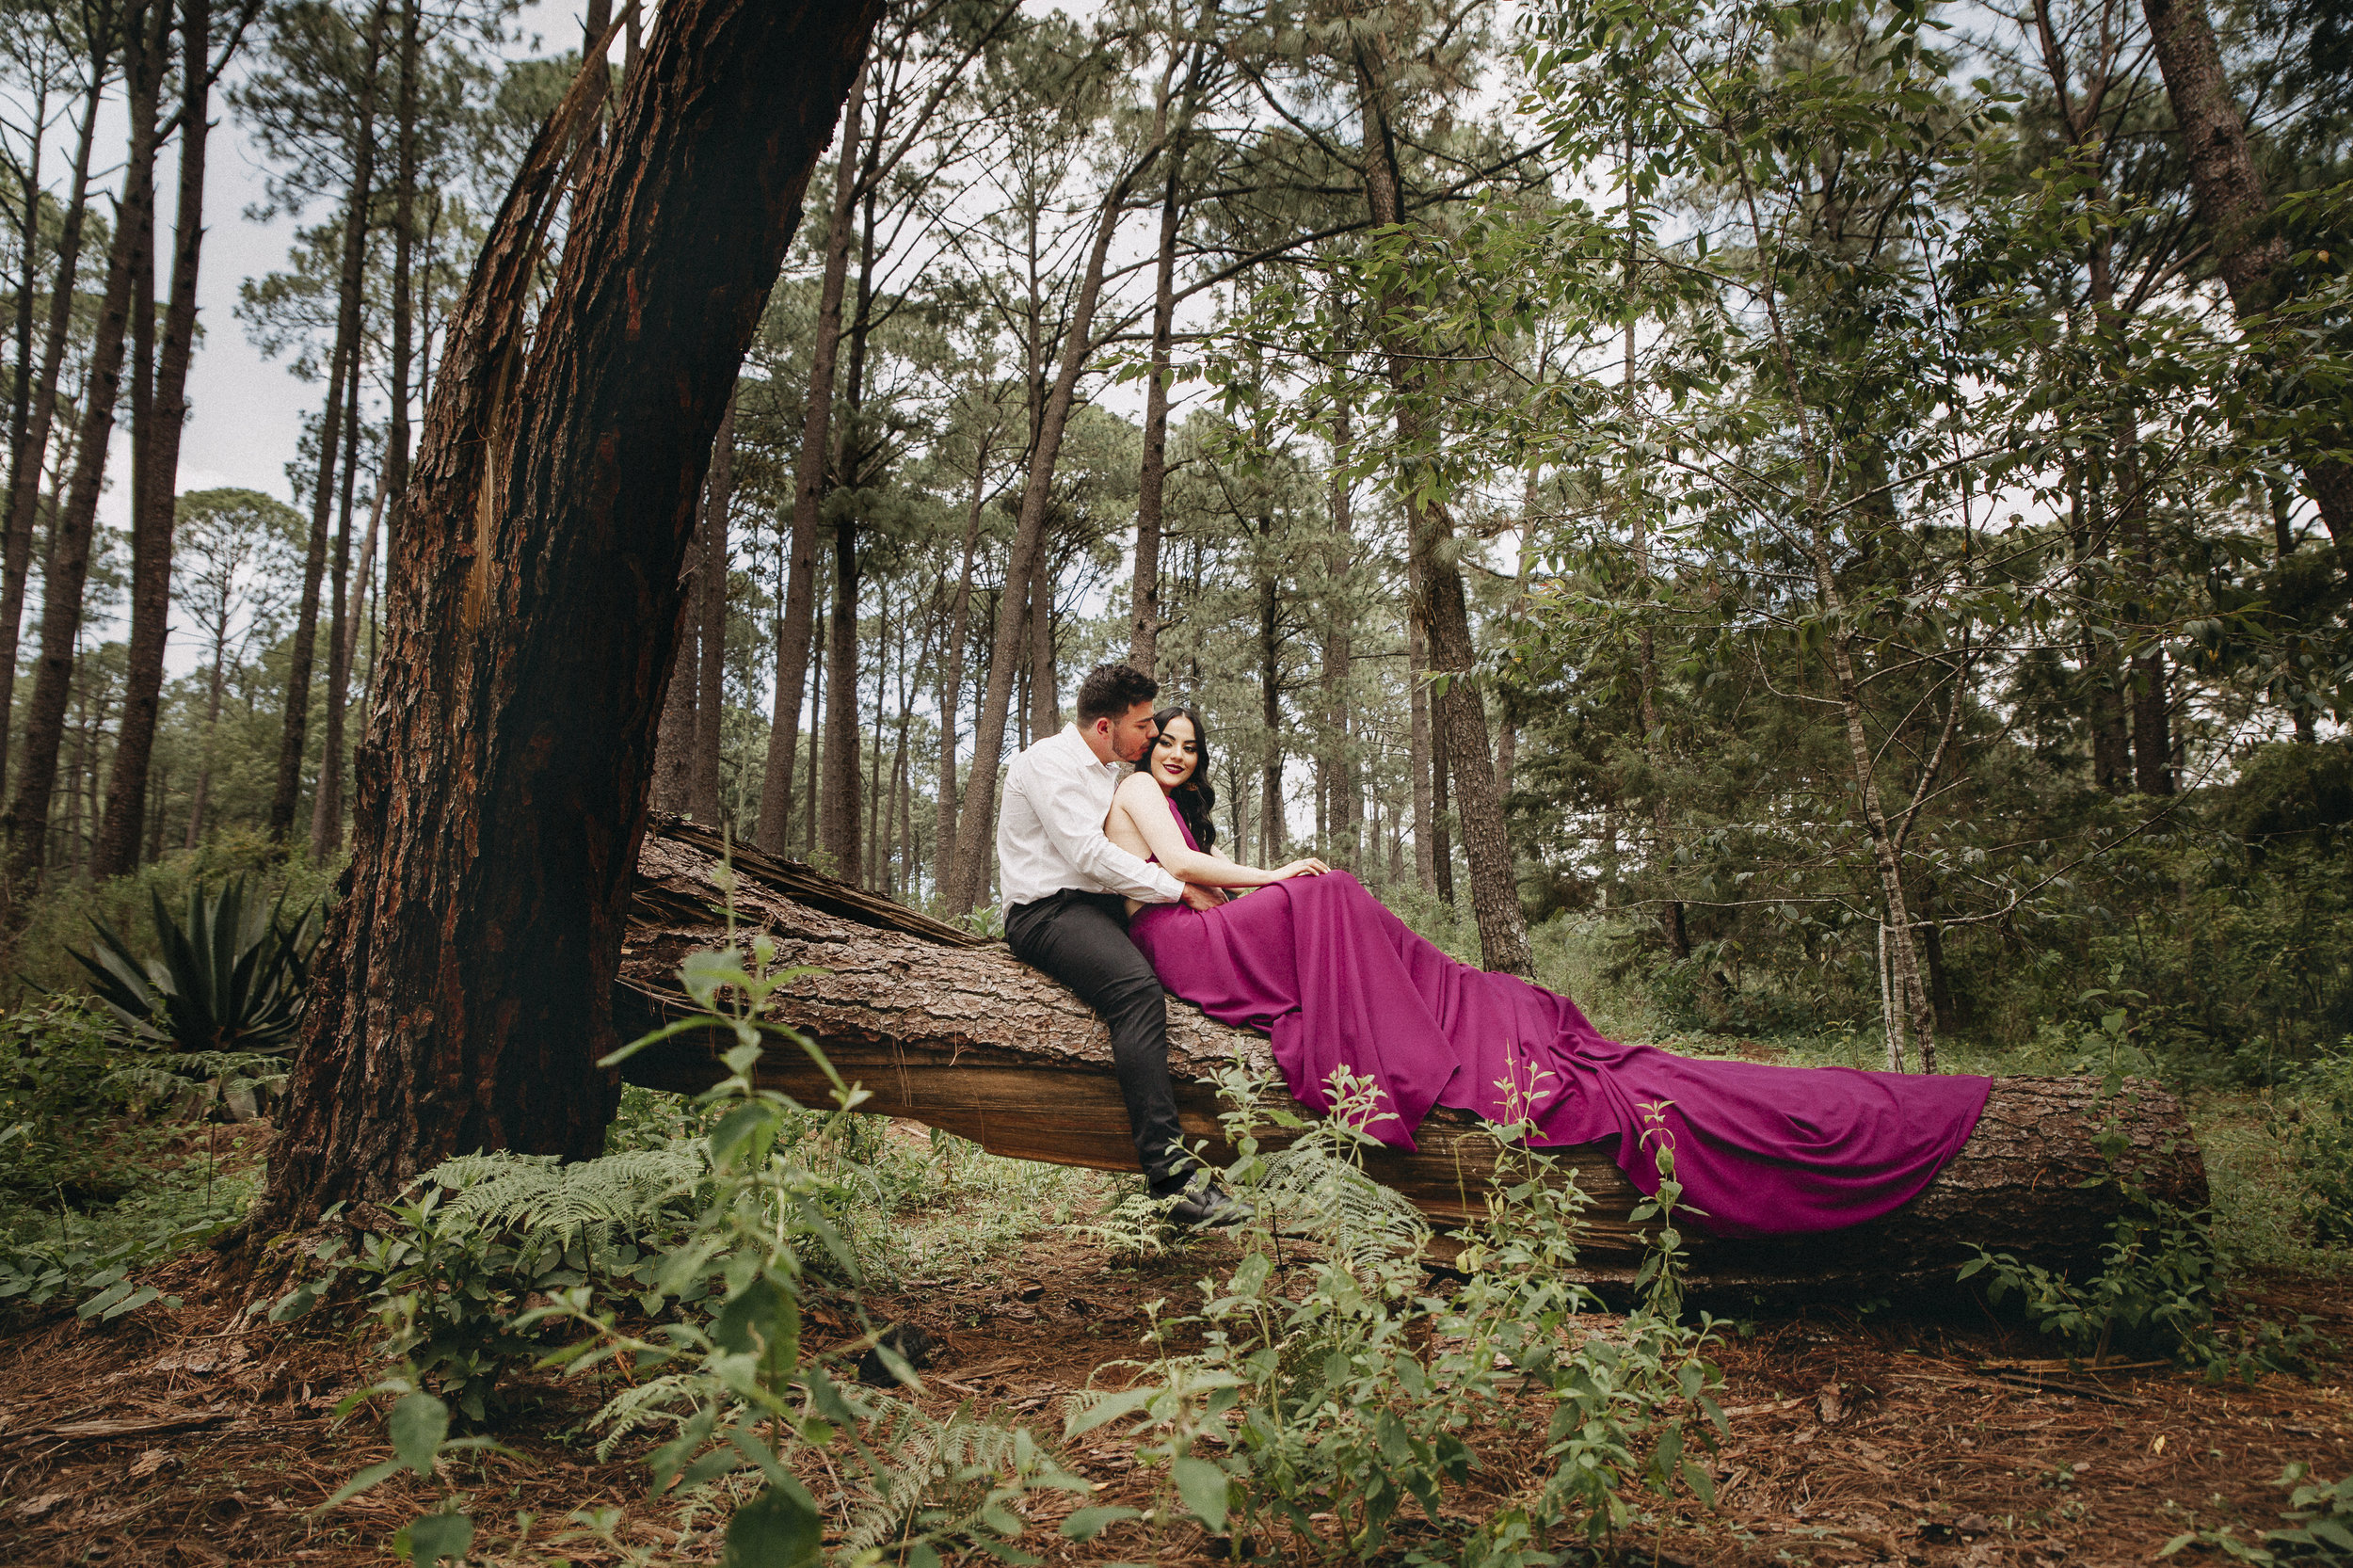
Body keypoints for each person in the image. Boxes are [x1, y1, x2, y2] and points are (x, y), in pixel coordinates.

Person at [1105, 704, 1995, 1239]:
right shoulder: (1134, 789)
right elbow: (1181, 882)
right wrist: (1275, 877)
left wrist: (1255, 889)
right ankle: (1397, 1032)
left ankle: (1430, 1002)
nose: (1176, 753)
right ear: (1144, 744)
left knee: (1333, 899)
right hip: (1172, 944)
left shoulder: (1176, 802)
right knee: (1326, 891)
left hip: (1195, 930)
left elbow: (1196, 880)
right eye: (1166, 740)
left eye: (1189, 745)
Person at [997, 664, 1245, 1226]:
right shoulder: (1047, 764)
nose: (1153, 736)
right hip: (1048, 912)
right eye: (1143, 725)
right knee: (1136, 993)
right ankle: (1172, 1180)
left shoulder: (1110, 774)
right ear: (1106, 727)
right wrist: (1178, 889)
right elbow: (1091, 857)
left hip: (1103, 906)